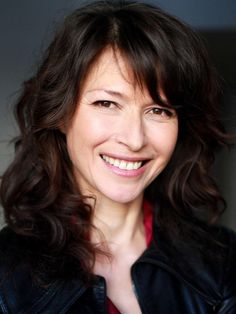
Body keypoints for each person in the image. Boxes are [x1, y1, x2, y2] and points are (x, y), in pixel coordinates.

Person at [0, 1, 235, 313]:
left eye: (158, 110)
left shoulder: (223, 262)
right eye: (107, 104)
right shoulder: (6, 274)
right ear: (60, 113)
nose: (134, 139)